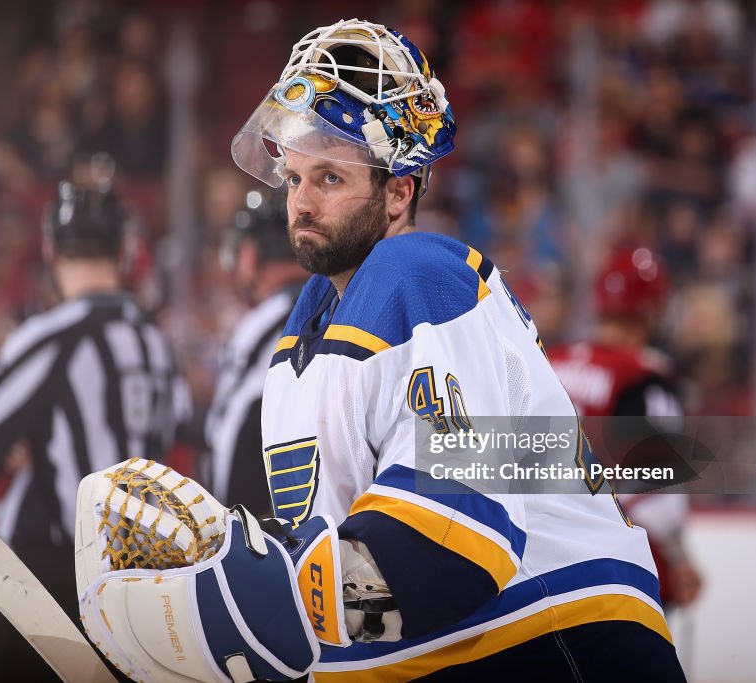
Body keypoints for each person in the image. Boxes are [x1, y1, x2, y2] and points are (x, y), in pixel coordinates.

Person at [73, 19, 686, 683]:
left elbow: (455, 544)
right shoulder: (298, 342)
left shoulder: (417, 272)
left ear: (399, 191)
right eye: (295, 177)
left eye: (330, 179)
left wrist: (270, 597)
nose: (300, 202)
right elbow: (376, 601)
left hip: (557, 638)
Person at [0, 179, 190, 681]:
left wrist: (19, 448)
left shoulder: (51, 337)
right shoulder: (155, 343)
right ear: (123, 250)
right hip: (147, 585)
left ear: (51, 250)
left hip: (51, 584)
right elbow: (180, 429)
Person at [548, 247, 703, 612]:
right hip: (611, 572)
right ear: (655, 309)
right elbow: (663, 499)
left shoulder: (551, 359)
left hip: (537, 562)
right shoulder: (645, 377)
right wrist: (679, 559)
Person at [205, 188, 309, 514]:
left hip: (278, 528)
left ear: (249, 256)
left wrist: (234, 532)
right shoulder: (342, 303)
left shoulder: (264, 323)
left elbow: (235, 426)